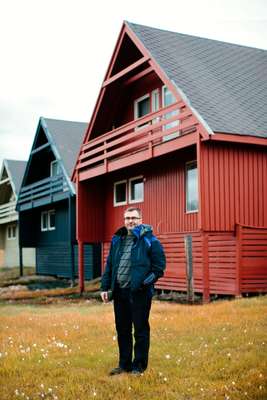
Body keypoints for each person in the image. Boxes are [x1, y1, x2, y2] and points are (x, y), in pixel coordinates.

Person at [100, 207, 166, 376]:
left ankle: (139, 367)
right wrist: (105, 287)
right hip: (120, 292)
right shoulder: (117, 240)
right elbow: (109, 266)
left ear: (140, 219)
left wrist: (144, 284)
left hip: (139, 294)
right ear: (124, 220)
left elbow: (159, 268)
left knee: (140, 330)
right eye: (127, 218)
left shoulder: (150, 240)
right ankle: (124, 365)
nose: (130, 221)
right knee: (122, 330)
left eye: (134, 218)